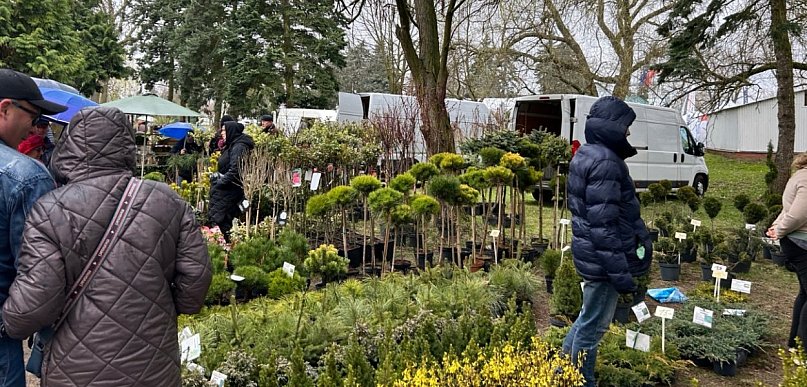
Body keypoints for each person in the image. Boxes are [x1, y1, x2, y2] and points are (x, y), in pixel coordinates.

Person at [1, 106, 212, 386]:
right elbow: (196, 279)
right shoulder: (167, 200)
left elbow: (35, 301)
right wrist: (159, 304)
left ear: (71, 146)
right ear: (126, 145)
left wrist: (8, 322)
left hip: (76, 368)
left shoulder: (50, 210)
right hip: (153, 364)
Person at [562, 96, 653, 387]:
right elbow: (604, 226)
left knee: (586, 318)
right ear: (611, 127)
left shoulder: (587, 154)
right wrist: (621, 274)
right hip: (603, 261)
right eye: (625, 127)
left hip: (591, 254)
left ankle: (563, 370)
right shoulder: (606, 163)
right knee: (594, 325)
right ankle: (581, 380)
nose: (628, 134)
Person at [0, 68, 67, 387]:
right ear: (5, 108)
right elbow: (40, 272)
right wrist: (12, 325)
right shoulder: (26, 176)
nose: (36, 126)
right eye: (34, 115)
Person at [768, 153, 807, 349]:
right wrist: (780, 229)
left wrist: (777, 226)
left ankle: (795, 345)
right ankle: (802, 351)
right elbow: (799, 214)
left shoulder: (800, 175)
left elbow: (787, 210)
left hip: (795, 240)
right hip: (801, 243)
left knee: (805, 294)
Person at [208, 121, 254, 241]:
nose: (222, 133)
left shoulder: (239, 146)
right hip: (224, 191)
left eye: (224, 130)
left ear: (231, 131)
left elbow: (235, 170)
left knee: (222, 222)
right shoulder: (232, 145)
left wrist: (220, 182)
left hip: (228, 191)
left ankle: (225, 250)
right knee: (219, 221)